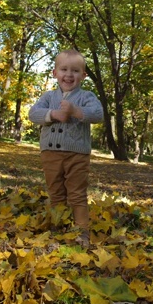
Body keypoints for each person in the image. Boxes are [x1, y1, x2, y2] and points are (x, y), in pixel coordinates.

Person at [28, 49, 104, 248]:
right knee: (56, 192)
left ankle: (81, 232)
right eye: (64, 69)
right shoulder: (48, 97)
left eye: (75, 70)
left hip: (77, 154)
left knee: (77, 193)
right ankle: (58, 226)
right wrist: (53, 115)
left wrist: (75, 111)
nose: (69, 74)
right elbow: (33, 114)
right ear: (55, 73)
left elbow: (98, 114)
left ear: (83, 75)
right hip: (50, 153)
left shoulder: (86, 96)